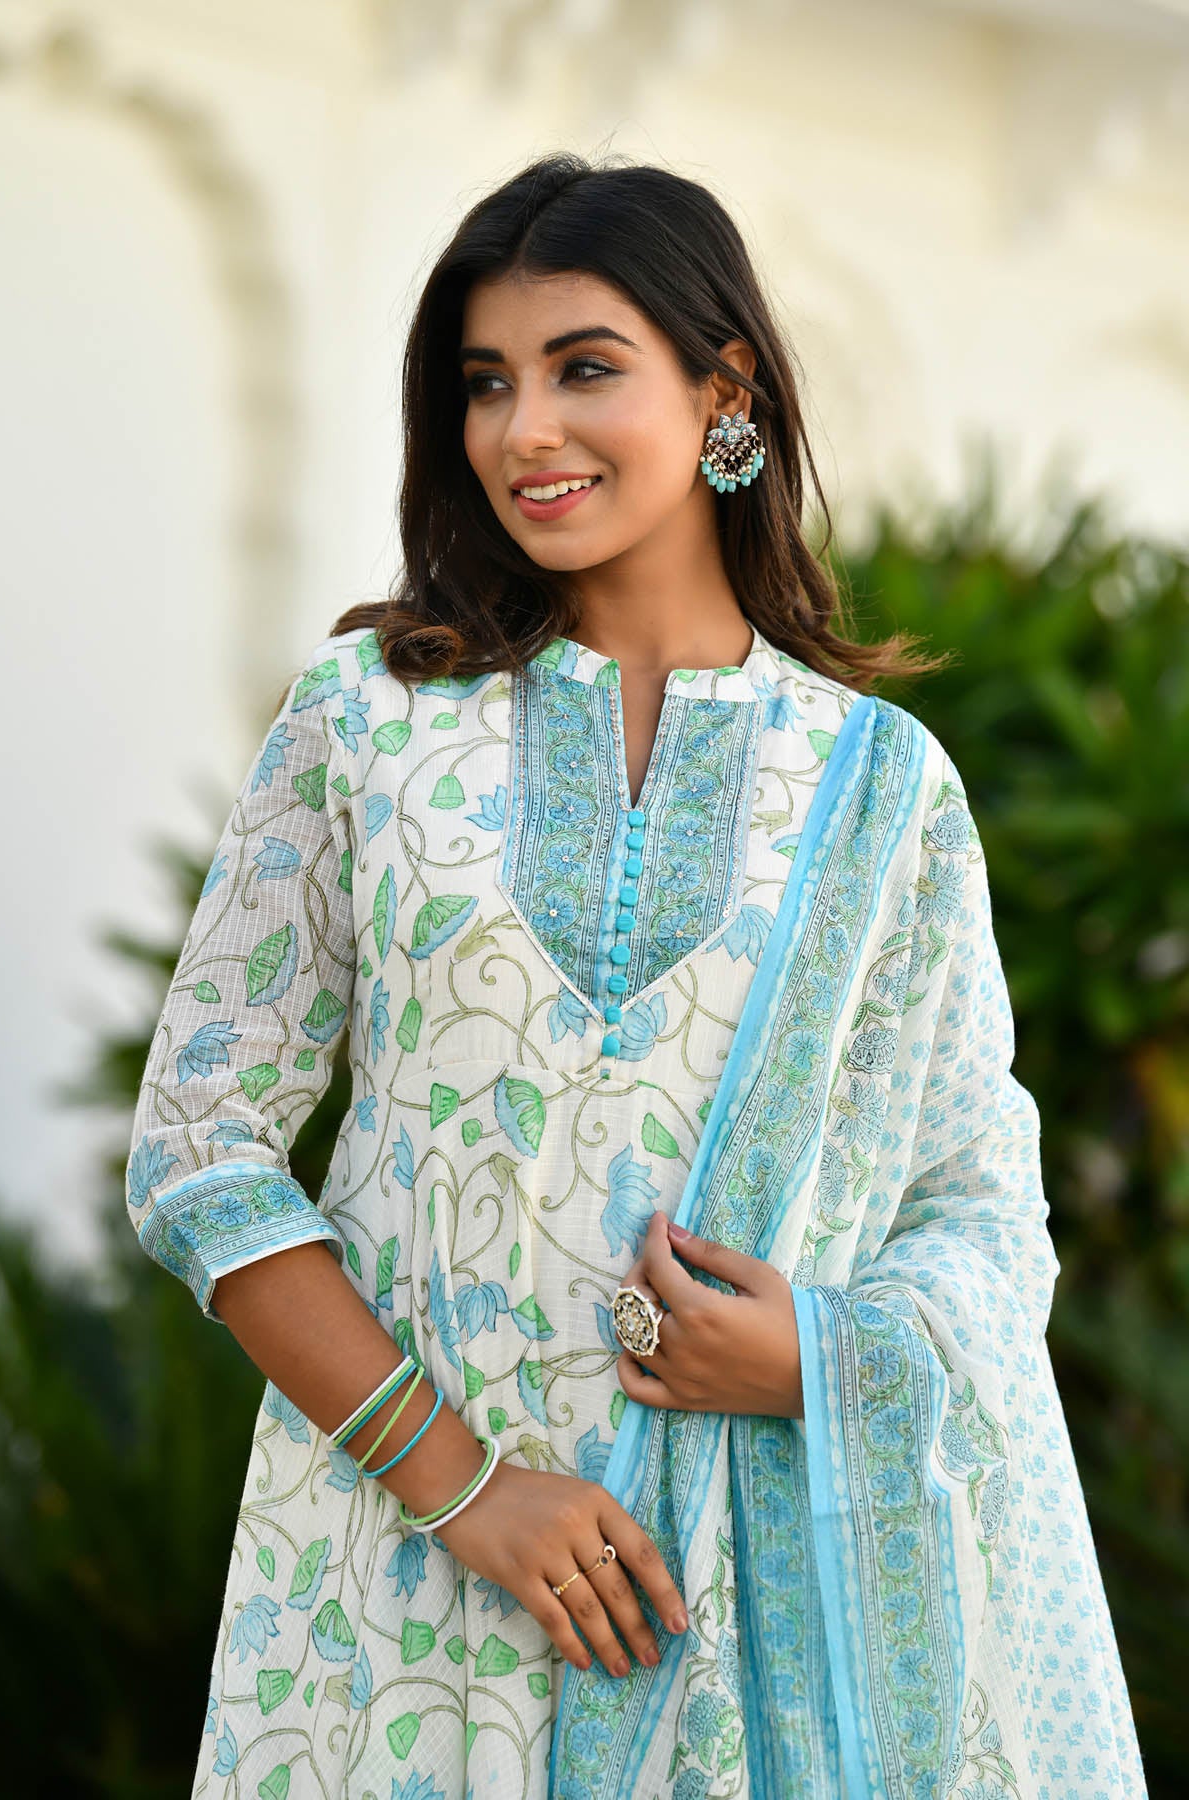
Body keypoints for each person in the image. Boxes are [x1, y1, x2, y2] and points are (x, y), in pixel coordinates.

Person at [125, 154, 1147, 1800]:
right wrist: (464, 1487)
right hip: (389, 1598)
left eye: (582, 368)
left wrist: (816, 1355)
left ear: (724, 390)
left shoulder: (882, 790)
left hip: (731, 1623)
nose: (524, 430)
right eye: (485, 383)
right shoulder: (368, 721)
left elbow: (978, 1207)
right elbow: (199, 1142)